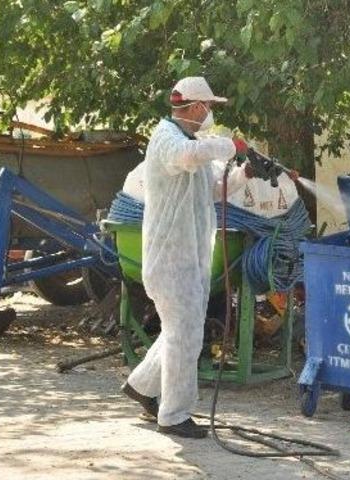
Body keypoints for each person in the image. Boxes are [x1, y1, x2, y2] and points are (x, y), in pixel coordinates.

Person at [120, 77, 251, 439]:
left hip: (188, 257)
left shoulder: (189, 142)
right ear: (194, 107)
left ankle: (142, 386)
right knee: (186, 336)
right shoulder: (167, 139)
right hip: (170, 258)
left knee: (179, 330)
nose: (209, 113)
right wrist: (229, 145)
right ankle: (174, 416)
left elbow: (212, 189)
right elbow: (186, 157)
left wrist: (244, 173)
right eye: (207, 107)